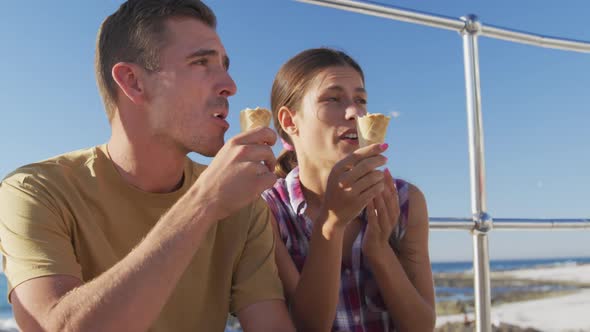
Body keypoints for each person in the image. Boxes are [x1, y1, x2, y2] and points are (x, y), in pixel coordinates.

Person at [0, 1, 295, 331]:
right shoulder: (36, 191)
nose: (230, 85)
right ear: (133, 82)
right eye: (201, 62)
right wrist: (203, 204)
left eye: (225, 65)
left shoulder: (243, 206)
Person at [262, 48, 436, 331]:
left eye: (361, 99)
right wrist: (331, 224)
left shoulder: (405, 201)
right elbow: (306, 325)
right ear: (289, 120)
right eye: (333, 98)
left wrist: (379, 250)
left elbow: (422, 326)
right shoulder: (269, 211)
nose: (356, 111)